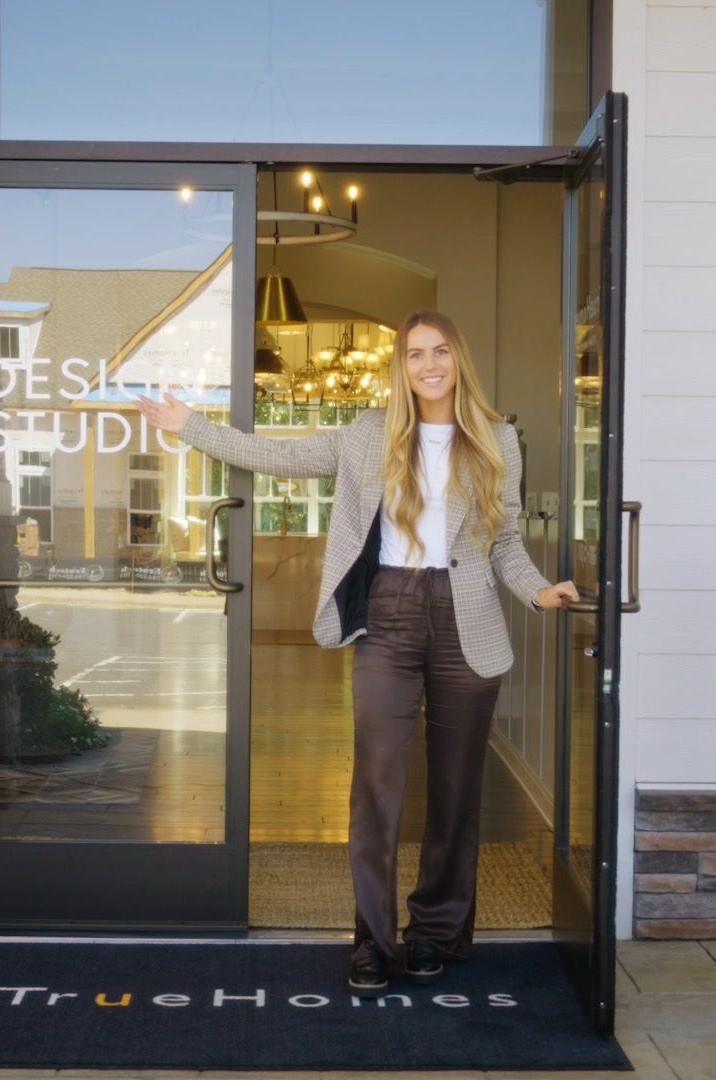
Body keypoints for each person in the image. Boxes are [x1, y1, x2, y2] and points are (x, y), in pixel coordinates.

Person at [136, 308, 579, 998]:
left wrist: (540, 590)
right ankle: (372, 941)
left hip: (466, 618)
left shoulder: (496, 440)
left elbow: (508, 540)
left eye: (439, 352)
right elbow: (282, 456)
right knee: (377, 785)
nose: (428, 365)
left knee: (457, 791)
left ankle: (436, 931)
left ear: (458, 359)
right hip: (389, 615)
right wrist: (190, 427)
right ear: (400, 367)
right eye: (413, 355)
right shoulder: (369, 433)